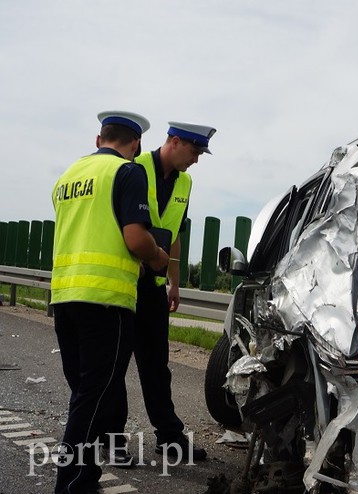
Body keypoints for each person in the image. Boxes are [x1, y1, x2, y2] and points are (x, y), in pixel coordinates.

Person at [51, 111, 169, 494]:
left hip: (65, 297)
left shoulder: (69, 176)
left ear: (98, 137)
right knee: (95, 396)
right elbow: (136, 238)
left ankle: (82, 477)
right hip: (106, 300)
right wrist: (158, 258)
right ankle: (73, 484)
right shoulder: (128, 172)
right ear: (134, 145)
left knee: (84, 394)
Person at [106, 121, 216, 465]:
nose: (196, 160)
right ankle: (112, 440)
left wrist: (175, 280)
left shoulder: (185, 182)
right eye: (194, 151)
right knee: (115, 365)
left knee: (157, 366)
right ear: (174, 141)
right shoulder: (133, 169)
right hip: (125, 283)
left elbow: (174, 233)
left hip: (153, 287)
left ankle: (169, 439)